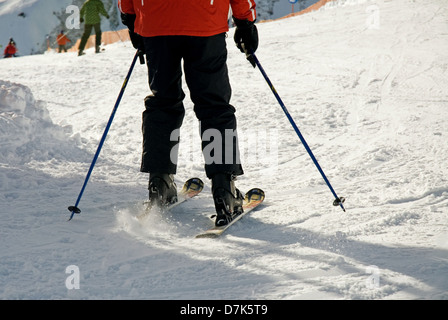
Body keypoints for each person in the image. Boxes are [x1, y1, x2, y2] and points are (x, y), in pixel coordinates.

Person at [118, 0, 259, 226]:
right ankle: (224, 190)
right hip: (205, 20)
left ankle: (160, 183)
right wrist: (245, 22)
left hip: (156, 22)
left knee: (163, 103)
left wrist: (132, 18)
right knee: (214, 106)